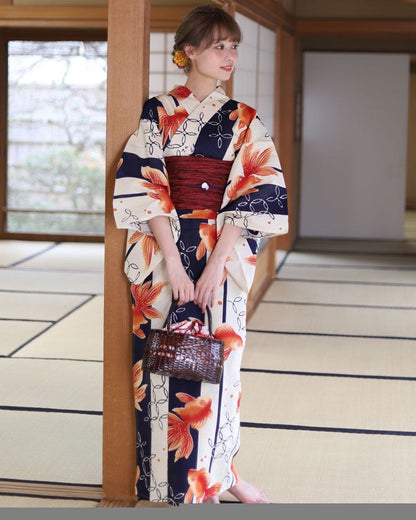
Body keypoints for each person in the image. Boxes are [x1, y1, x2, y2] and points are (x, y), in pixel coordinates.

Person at [113, 4, 288, 505]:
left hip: (223, 254)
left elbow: (254, 190)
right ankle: (168, 485)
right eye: (218, 46)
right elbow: (145, 185)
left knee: (222, 365)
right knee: (161, 366)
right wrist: (172, 259)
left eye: (233, 46)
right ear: (188, 51)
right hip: (162, 251)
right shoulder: (157, 112)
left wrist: (214, 265)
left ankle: (220, 474)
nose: (229, 55)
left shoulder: (244, 119)